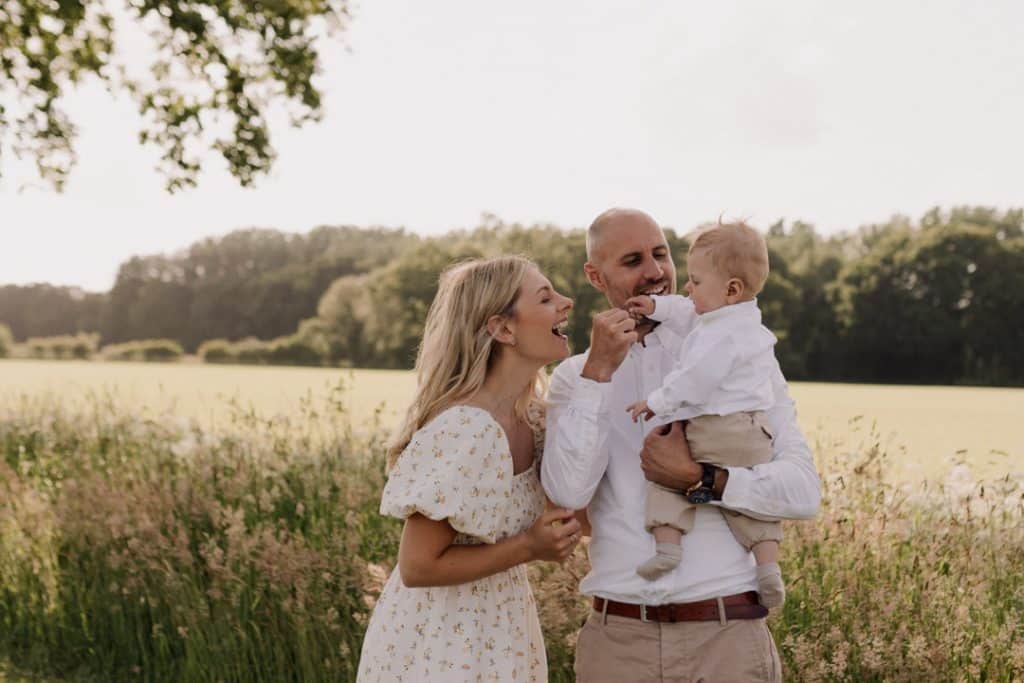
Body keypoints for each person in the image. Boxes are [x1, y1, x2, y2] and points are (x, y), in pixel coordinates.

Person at [541, 209, 821, 682]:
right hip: (618, 642)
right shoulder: (577, 378)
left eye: (661, 254)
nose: (655, 272)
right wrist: (600, 375)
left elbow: (802, 492)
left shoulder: (742, 353)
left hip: (727, 635)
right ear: (595, 275)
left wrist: (702, 480)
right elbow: (569, 494)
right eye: (633, 260)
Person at [357, 255, 581, 682]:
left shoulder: (533, 419)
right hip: (442, 642)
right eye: (546, 297)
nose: (566, 302)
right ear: (503, 328)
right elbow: (417, 566)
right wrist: (530, 547)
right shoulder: (469, 428)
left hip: (498, 628)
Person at [622, 222, 786, 610]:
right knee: (749, 502)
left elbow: (695, 380)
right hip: (752, 432)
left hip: (714, 427)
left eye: (695, 280)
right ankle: (767, 567)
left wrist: (655, 401)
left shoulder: (718, 336)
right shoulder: (741, 321)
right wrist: (657, 307)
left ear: (730, 289)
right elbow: (683, 310)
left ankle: (668, 546)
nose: (688, 289)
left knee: (663, 478)